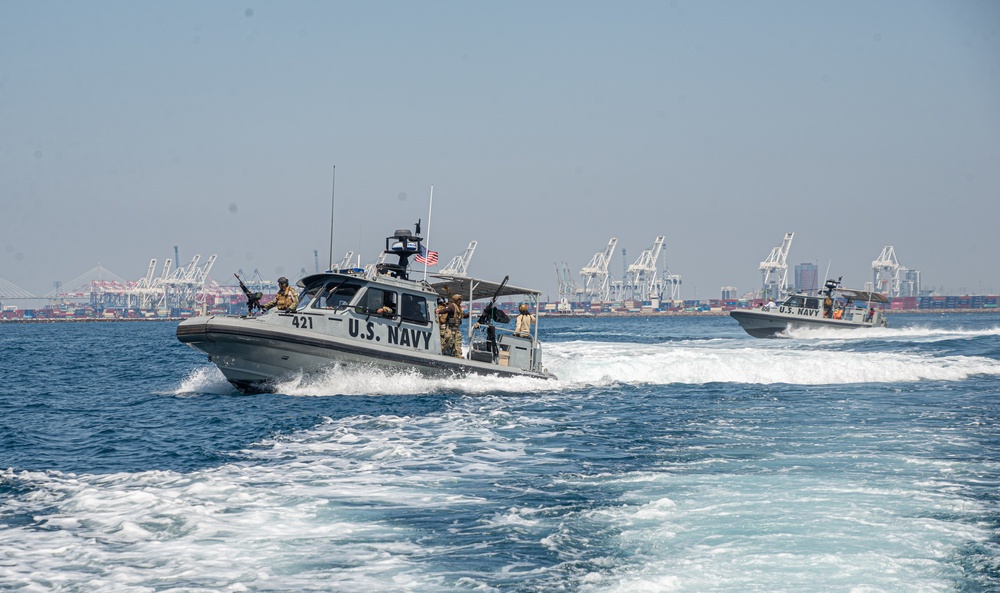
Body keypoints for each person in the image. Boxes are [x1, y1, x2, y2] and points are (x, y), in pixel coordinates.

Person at [438, 293, 468, 358]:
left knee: (458, 340)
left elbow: (463, 316)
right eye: (458, 300)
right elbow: (446, 310)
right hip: (450, 327)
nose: (460, 301)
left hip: (456, 328)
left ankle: (458, 354)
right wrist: (439, 311)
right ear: (455, 300)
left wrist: (468, 314)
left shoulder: (459, 308)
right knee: (447, 339)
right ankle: (439, 350)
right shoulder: (452, 306)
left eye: (460, 300)